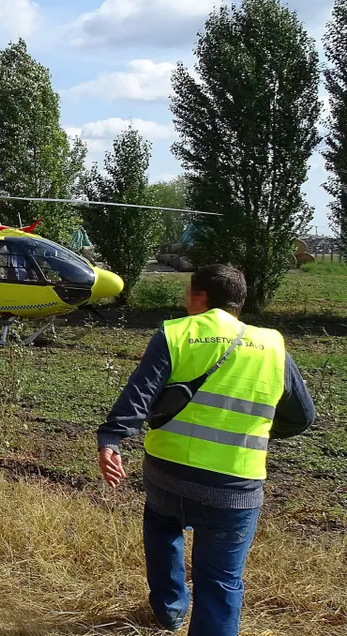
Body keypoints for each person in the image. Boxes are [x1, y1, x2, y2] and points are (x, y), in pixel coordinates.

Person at [96, 264, 315, 635]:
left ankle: (169, 610)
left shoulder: (176, 333)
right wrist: (255, 431)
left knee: (162, 533)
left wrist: (111, 439)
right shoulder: (273, 346)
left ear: (199, 296)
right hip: (233, 489)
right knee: (220, 582)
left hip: (166, 475)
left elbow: (139, 395)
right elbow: (302, 417)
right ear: (239, 301)